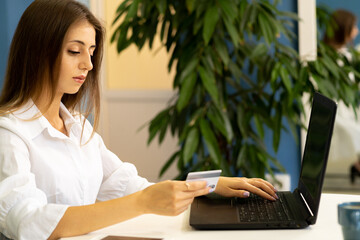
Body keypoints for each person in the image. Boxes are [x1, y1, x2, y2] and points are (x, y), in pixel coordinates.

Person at [0, 0, 278, 239]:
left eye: (92, 52)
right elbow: (28, 223)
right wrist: (142, 202)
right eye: (75, 51)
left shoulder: (77, 126)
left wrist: (211, 186)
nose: (88, 64)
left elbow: (130, 186)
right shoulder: (10, 134)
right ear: (38, 52)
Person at [323, 9, 360, 184]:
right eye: (353, 27)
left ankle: (357, 166)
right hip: (338, 109)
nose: (356, 31)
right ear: (344, 29)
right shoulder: (325, 58)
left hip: (350, 107)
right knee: (355, 131)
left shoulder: (348, 55)